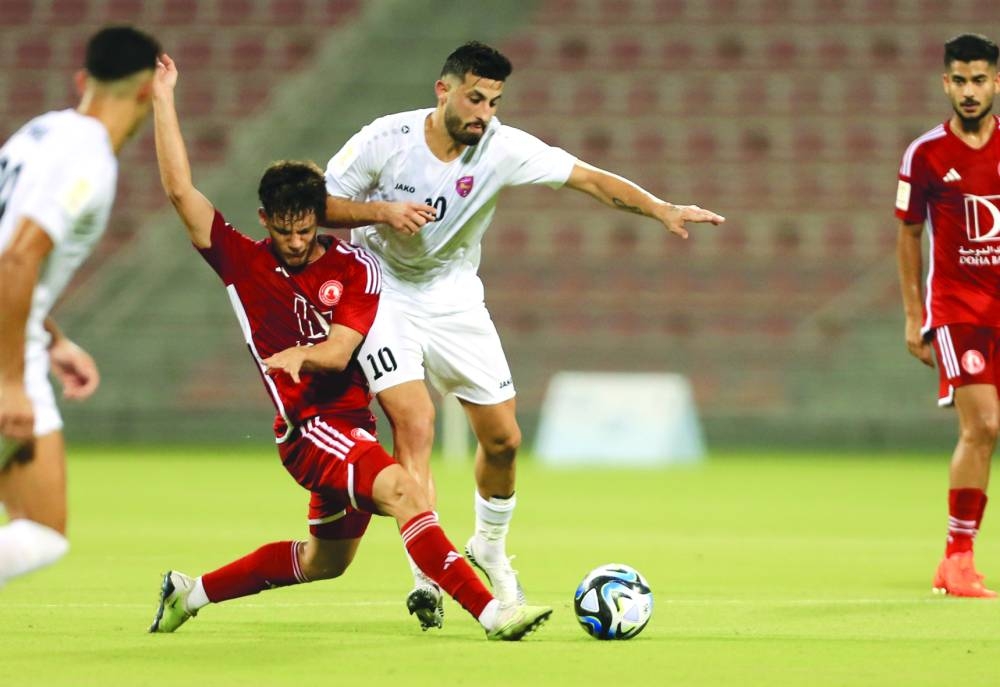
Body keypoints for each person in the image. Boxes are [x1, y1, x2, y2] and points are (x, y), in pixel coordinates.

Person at [146, 54, 551, 640]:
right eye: (282, 229)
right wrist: (163, 100)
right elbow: (180, 191)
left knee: (324, 563)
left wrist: (300, 356)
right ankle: (492, 612)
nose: (293, 240)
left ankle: (191, 592)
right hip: (308, 429)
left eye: (305, 228)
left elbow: (338, 354)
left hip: (349, 423)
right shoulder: (241, 261)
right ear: (264, 221)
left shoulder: (356, 266)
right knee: (405, 490)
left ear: (319, 219)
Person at [323, 40, 726, 628]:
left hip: (456, 296)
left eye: (494, 101)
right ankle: (428, 571)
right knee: (415, 423)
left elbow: (587, 179)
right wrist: (383, 213)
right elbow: (321, 203)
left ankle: (487, 545)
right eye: (476, 98)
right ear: (444, 90)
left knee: (505, 440)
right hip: (384, 292)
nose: (484, 113)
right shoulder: (385, 141)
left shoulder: (502, 148)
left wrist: (659, 207)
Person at [0, 26, 161, 589]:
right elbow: (17, 257)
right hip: (5, 359)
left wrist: (52, 337)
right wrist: (11, 380)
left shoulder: (38, 133)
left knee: (40, 530)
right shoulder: (88, 158)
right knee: (41, 531)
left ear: (82, 81)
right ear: (147, 94)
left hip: (18, 338)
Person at [896, 33, 1000, 598]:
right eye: (959, 80)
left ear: (997, 82)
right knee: (982, 425)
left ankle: (955, 560)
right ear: (945, 83)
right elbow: (908, 235)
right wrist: (915, 315)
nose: (969, 90)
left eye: (979, 79)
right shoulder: (926, 153)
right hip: (960, 308)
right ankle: (957, 557)